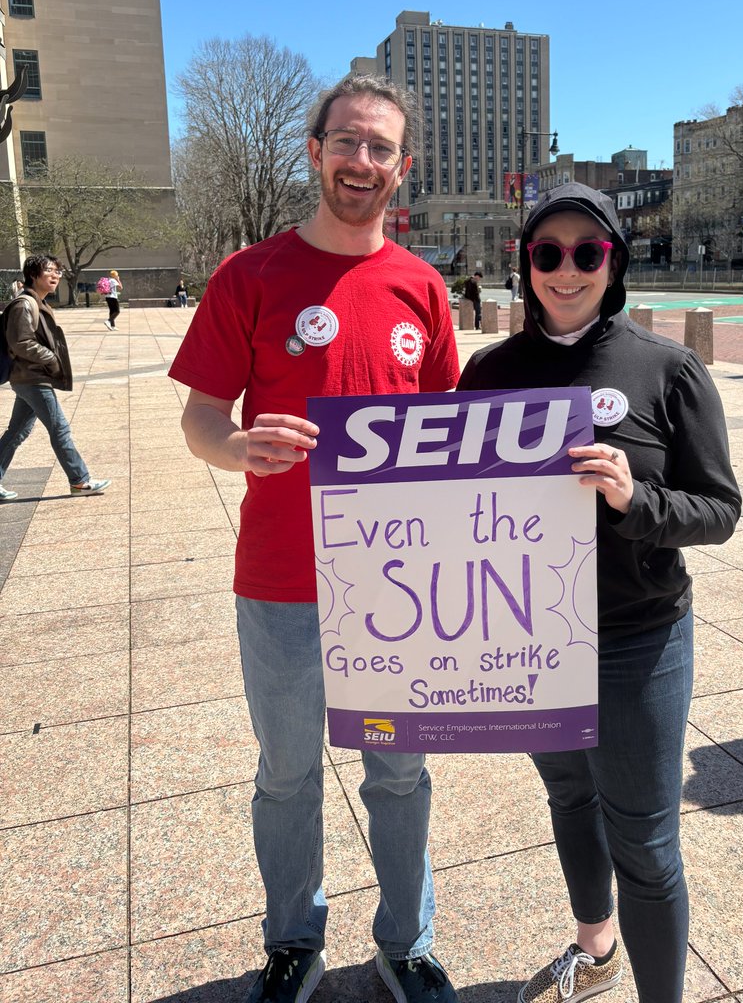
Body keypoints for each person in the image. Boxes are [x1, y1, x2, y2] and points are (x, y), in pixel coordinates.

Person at [168, 75, 460, 1003]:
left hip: (400, 586)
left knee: (399, 775)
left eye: (381, 149)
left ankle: (404, 942)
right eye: (347, 142)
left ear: (401, 167)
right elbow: (201, 420)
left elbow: (452, 443)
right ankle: (294, 939)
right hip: (284, 582)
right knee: (288, 775)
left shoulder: (422, 287)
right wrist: (239, 448)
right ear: (314, 149)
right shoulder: (248, 276)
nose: (362, 162)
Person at [458, 184, 741, 1003]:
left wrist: (634, 499)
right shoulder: (491, 372)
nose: (566, 269)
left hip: (636, 637)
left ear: (613, 262)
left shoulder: (666, 369)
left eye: (588, 251)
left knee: (647, 843)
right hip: (530, 636)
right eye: (548, 253)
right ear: (527, 265)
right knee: (569, 793)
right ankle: (597, 948)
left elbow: (719, 511)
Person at [0, 254, 111, 501]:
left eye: (58, 271)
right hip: (32, 378)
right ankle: (80, 481)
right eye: (50, 271)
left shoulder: (36, 302)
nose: (56, 276)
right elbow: (20, 342)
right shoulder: (24, 304)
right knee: (59, 428)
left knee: (16, 432)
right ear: (33, 275)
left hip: (29, 377)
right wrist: (50, 357)